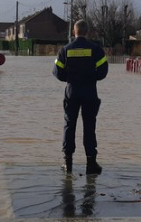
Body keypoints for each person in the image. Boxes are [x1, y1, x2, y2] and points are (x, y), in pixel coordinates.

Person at [52, 19, 108, 175]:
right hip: (90, 92)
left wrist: (70, 79)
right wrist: (90, 77)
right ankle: (91, 164)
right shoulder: (96, 50)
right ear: (87, 32)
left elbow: (57, 72)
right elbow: (103, 71)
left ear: (73, 32)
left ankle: (67, 163)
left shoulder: (65, 50)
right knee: (89, 127)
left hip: (72, 91)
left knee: (69, 125)